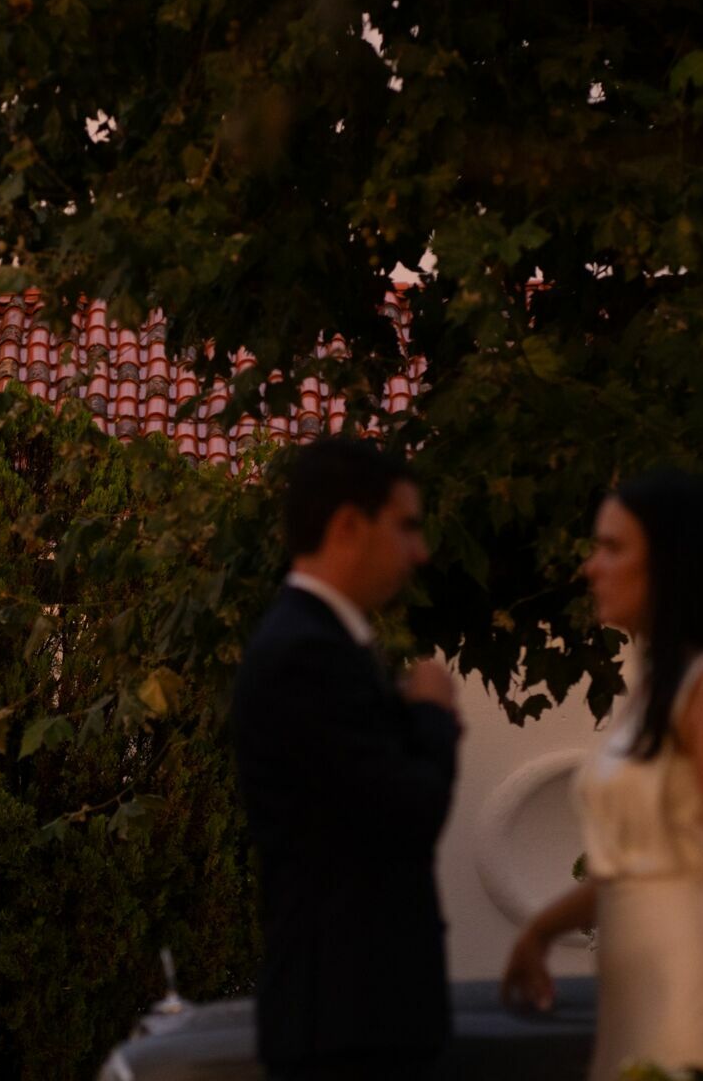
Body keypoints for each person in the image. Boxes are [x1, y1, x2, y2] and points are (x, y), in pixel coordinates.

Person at [500, 470, 703, 1081]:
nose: (590, 567)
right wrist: (541, 931)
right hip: (642, 995)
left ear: (675, 562)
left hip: (700, 996)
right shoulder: (664, 683)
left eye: (612, 548)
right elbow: (638, 864)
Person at [231, 437, 462, 1081]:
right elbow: (409, 811)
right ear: (348, 526)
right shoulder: (306, 655)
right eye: (407, 527)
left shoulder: (318, 643)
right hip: (346, 1028)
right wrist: (434, 715)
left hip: (353, 1021)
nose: (421, 552)